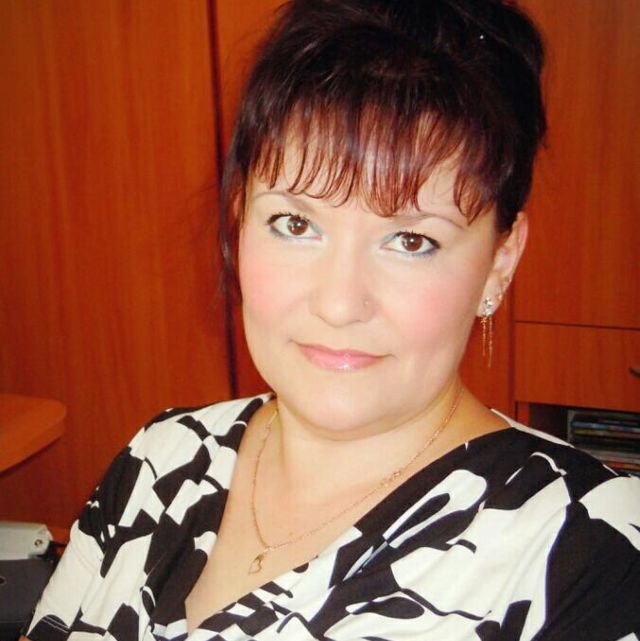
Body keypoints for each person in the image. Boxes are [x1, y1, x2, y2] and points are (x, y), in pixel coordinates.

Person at [25, 0, 640, 639]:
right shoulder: (161, 458)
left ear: (499, 262)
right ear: (240, 222)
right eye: (295, 224)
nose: (340, 304)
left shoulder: (590, 552)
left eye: (411, 240)